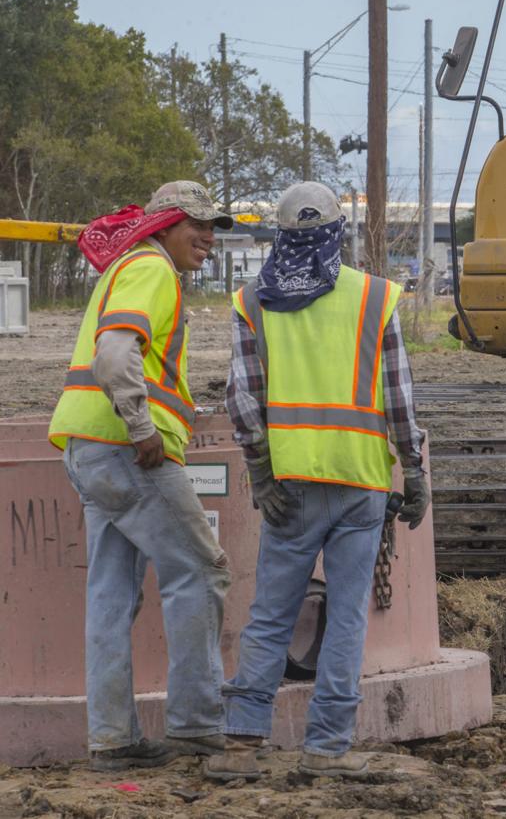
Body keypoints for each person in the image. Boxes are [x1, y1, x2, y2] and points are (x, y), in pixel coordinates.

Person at [205, 182, 429, 781]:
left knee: (273, 611)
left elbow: (243, 398)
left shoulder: (254, 301)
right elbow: (399, 399)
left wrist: (259, 471)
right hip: (360, 481)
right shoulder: (374, 297)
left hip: (292, 484)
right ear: (339, 234)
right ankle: (327, 745)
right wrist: (415, 472)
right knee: (348, 615)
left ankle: (241, 743)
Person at [48, 181, 234, 771]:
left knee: (110, 595)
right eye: (196, 226)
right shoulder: (152, 268)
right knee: (201, 571)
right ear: (163, 227)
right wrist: (141, 426)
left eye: (213, 227)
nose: (207, 238)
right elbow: (115, 353)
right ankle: (197, 725)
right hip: (128, 451)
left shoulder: (125, 266)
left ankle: (113, 738)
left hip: (86, 447)